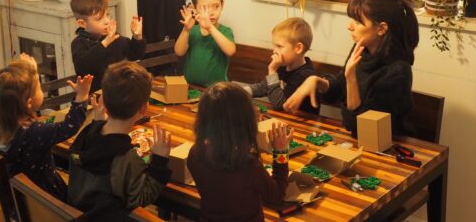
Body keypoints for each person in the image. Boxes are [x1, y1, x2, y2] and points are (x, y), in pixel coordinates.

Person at [283, 0, 419, 136]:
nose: (350, 26)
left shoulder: (398, 72)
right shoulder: (363, 48)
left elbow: (359, 128)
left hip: (389, 145)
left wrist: (351, 78)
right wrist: (316, 81)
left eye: (358, 22)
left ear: (381, 29)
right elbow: (340, 88)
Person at [68, 61, 172, 220]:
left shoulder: (86, 133)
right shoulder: (127, 156)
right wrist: (159, 161)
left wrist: (98, 123)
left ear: (105, 103)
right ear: (144, 109)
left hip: (80, 213)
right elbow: (140, 198)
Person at [0, 53, 91, 201]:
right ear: (29, 102)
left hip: (20, 201)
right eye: (38, 87)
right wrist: (81, 97)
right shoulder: (35, 132)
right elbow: (69, 126)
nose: (41, 90)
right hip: (47, 202)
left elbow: (42, 126)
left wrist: (30, 70)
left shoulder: (4, 124)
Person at [187, 82, 293, 222]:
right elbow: (277, 196)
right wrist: (281, 152)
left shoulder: (195, 153)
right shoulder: (247, 165)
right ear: (244, 122)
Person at [70, 0, 146, 92]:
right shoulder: (79, 43)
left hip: (119, 93)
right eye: (99, 19)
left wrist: (137, 36)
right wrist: (105, 42)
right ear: (82, 23)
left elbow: (135, 54)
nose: (106, 21)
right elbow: (85, 67)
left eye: (108, 15)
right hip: (95, 98)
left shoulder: (112, 37)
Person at [241, 17, 319, 114]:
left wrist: (272, 71)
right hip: (285, 120)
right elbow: (263, 87)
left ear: (298, 48)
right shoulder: (283, 67)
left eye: (279, 46)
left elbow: (279, 104)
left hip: (303, 124)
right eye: (274, 45)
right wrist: (238, 92)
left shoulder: (305, 75)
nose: (274, 50)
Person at [174, 0, 236, 86]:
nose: (210, 13)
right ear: (194, 8)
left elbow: (230, 51)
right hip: (190, 86)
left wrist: (210, 28)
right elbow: (179, 52)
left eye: (216, 6)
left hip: (216, 89)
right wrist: (186, 30)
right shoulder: (193, 30)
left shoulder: (224, 31)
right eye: (204, 8)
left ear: (222, 5)